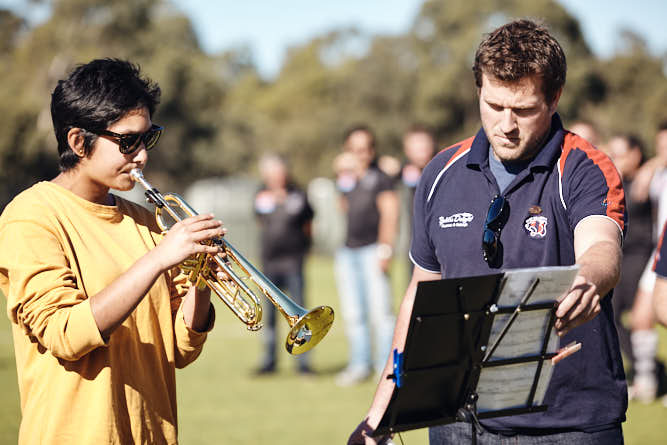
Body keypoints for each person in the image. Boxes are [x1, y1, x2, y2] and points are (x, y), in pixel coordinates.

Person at [348, 20, 627, 444]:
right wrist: (380, 412)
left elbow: (602, 245)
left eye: (524, 109)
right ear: (478, 89)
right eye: (494, 106)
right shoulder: (440, 173)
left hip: (567, 426)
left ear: (555, 98)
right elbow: (420, 299)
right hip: (457, 423)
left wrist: (589, 280)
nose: (506, 125)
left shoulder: (583, 167)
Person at [0, 59, 222, 444]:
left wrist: (202, 278)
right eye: (127, 141)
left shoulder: (146, 221)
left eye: (146, 139)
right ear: (77, 142)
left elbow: (181, 349)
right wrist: (158, 258)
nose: (142, 156)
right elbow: (65, 333)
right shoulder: (30, 216)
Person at [334, 125, 399, 386]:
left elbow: (390, 214)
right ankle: (359, 365)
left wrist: (385, 248)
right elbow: (342, 208)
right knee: (354, 313)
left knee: (381, 313)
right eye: (354, 149)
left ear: (372, 150)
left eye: (364, 148)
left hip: (373, 249)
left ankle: (383, 366)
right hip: (348, 252)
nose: (360, 154)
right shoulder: (345, 178)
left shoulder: (381, 177)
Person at [253, 153, 314, 375]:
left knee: (299, 315)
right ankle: (269, 361)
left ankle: (304, 363)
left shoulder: (298, 194)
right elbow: (260, 221)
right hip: (269, 264)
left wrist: (305, 248)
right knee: (268, 316)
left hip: (293, 262)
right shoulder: (260, 195)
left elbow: (308, 224)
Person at [607, 135, 654, 387]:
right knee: (612, 316)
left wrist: (649, 166)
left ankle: (649, 372)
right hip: (623, 257)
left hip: (641, 257)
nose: (616, 159)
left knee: (643, 317)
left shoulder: (649, 179)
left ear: (636, 154)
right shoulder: (618, 182)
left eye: (621, 154)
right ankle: (646, 369)